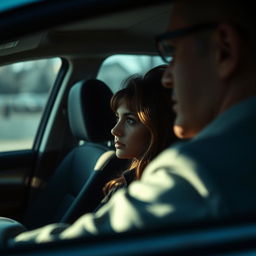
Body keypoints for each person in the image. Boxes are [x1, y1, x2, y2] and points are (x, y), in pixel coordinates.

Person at [6, 0, 256, 247]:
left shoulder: (198, 170)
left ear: (224, 49)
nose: (168, 78)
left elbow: (80, 246)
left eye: (175, 52)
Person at [99, 65, 177, 207]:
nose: (115, 130)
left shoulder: (147, 194)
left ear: (158, 128)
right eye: (118, 118)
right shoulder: (124, 183)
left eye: (130, 121)